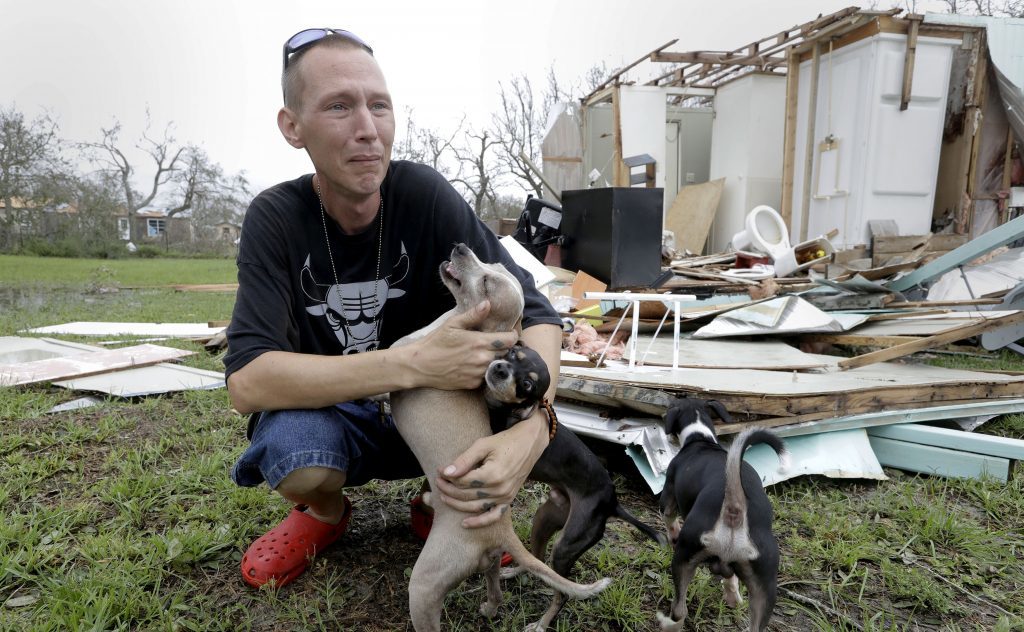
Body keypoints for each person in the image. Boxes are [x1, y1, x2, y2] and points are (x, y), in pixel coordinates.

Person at [225, 28, 563, 589]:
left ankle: (442, 499)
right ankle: (325, 513)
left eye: (378, 105)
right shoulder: (275, 219)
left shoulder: (424, 194)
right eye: (339, 106)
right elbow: (248, 381)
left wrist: (532, 432)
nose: (367, 129)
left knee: (511, 398)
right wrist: (413, 363)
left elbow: (539, 313)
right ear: (293, 127)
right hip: (341, 415)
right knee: (291, 450)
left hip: (440, 418)